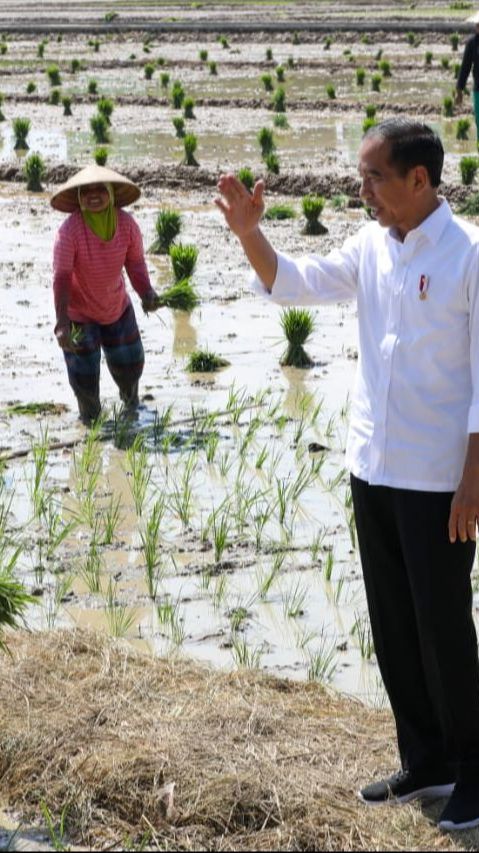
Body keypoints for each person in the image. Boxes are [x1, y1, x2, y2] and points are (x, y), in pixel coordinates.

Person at [215, 118, 479, 832]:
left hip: (437, 478)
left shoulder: (467, 255)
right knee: (394, 623)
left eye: (372, 177)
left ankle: (473, 768)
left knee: (443, 627)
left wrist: (471, 479)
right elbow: (293, 282)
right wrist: (248, 233)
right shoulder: (370, 247)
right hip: (373, 466)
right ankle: (424, 760)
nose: (358, 188)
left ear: (418, 180)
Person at [51, 164, 160, 424]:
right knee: (84, 375)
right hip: (79, 314)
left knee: (130, 365)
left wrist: (147, 292)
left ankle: (131, 406)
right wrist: (62, 321)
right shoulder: (69, 232)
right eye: (86, 191)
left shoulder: (126, 225)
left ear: (111, 193)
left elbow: (135, 263)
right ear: (78, 198)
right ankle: (91, 420)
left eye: (101, 189)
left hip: (116, 308)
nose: (94, 195)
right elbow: (62, 277)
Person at [456, 13, 479, 142]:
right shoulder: (472, 43)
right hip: (478, 89)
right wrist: (460, 89)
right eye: (477, 25)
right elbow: (465, 66)